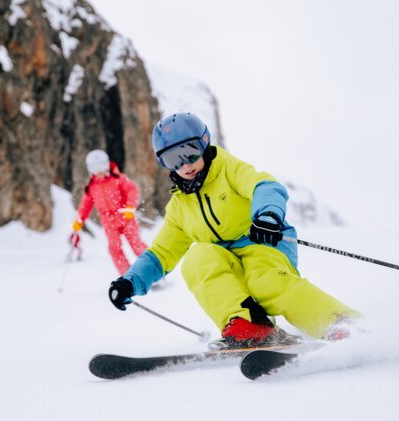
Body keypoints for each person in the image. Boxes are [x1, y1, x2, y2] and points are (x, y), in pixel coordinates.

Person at [108, 112, 360, 348]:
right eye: (172, 159)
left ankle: (337, 323)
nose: (185, 165)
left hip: (262, 244)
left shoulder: (228, 170)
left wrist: (268, 216)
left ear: (204, 146)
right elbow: (161, 253)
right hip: (225, 262)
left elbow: (264, 185)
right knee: (197, 259)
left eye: (190, 153)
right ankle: (250, 327)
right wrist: (131, 281)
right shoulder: (179, 208)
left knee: (265, 281)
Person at [71, 150, 147, 275]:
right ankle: (128, 275)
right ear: (90, 170)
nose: (99, 171)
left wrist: (130, 207)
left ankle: (152, 269)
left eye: (101, 167)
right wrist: (80, 220)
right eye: (95, 168)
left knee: (136, 244)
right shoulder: (92, 186)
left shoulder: (118, 179)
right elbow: (86, 205)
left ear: (107, 165)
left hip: (125, 216)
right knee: (114, 248)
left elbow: (132, 190)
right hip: (108, 221)